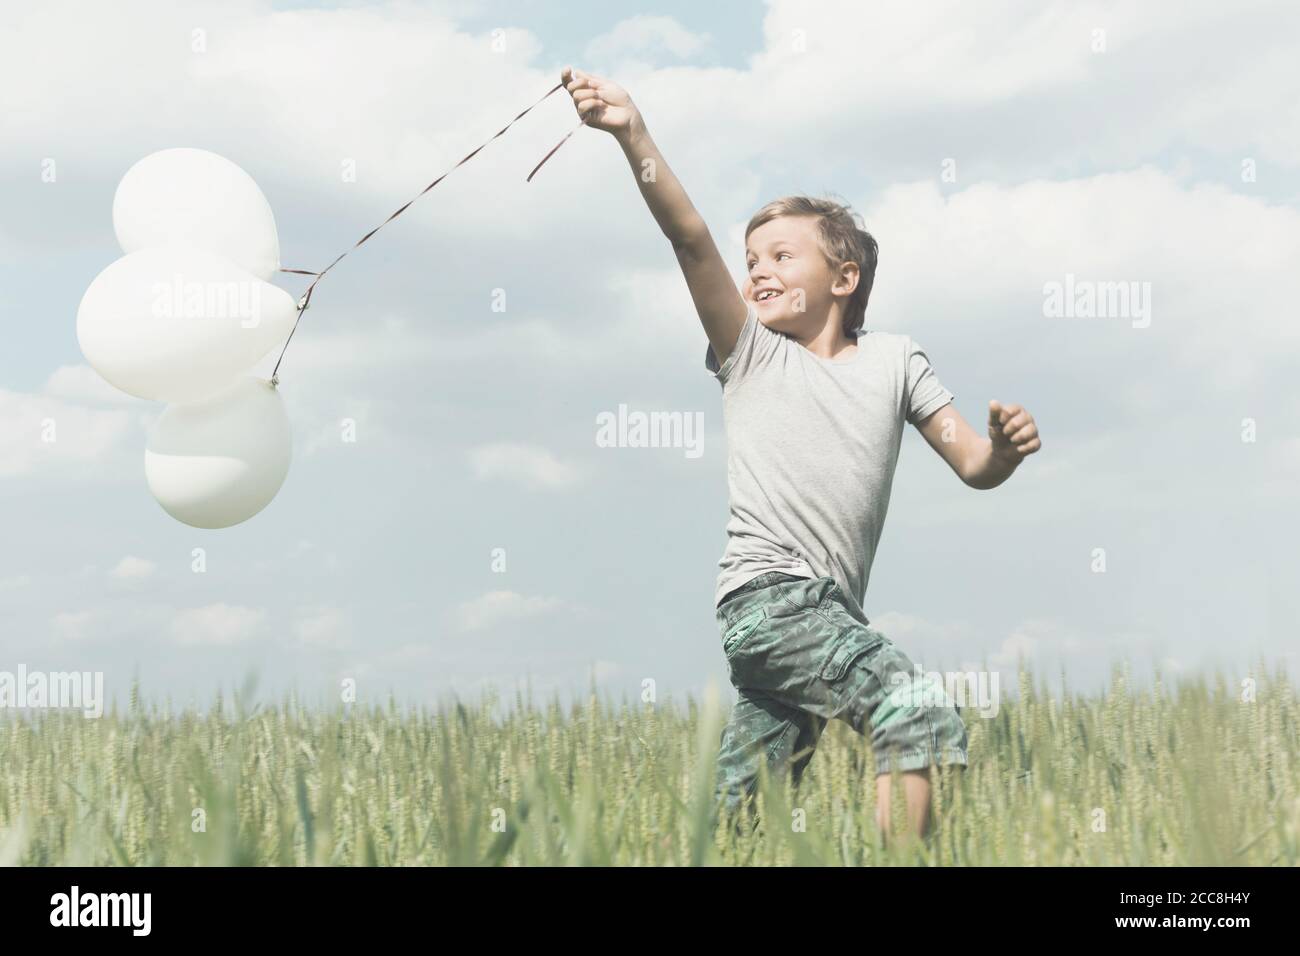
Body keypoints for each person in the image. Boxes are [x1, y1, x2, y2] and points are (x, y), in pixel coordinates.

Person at [560, 66, 1041, 848]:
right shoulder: (749, 355)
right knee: (910, 709)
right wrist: (632, 134)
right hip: (772, 604)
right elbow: (689, 239)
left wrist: (1006, 454)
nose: (758, 271)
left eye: (783, 256)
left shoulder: (896, 361)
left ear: (844, 278)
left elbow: (972, 464)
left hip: (824, 621)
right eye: (753, 259)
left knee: (744, 816)